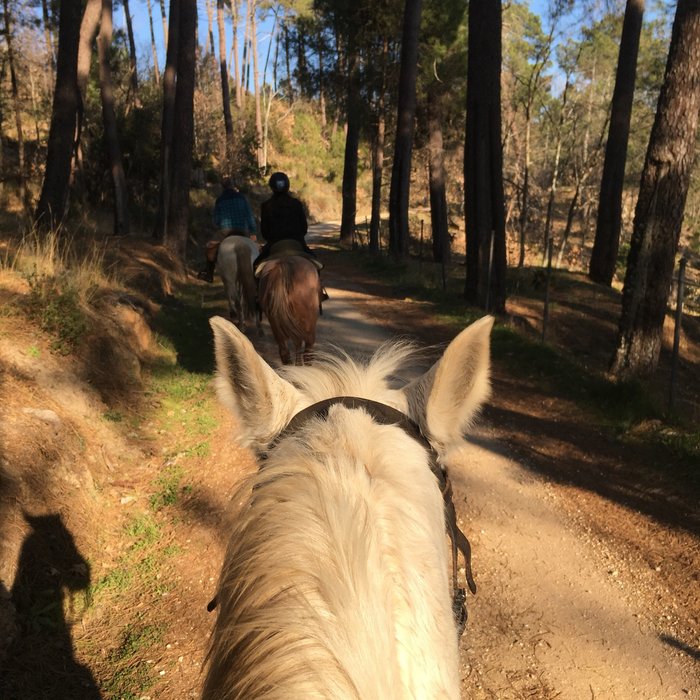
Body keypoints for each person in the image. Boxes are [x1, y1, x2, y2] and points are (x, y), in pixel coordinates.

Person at [255, 172, 328, 301]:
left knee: (256, 266)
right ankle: (320, 293)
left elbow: (265, 232)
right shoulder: (296, 204)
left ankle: (257, 297)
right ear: (287, 186)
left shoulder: (266, 206)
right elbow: (304, 229)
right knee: (316, 264)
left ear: (272, 187)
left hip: (274, 246)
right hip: (297, 243)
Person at [198, 177, 257, 283]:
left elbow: (216, 221)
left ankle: (209, 273)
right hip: (242, 230)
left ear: (223, 187)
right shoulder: (242, 198)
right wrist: (252, 231)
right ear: (233, 186)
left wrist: (218, 225)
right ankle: (257, 273)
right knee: (257, 249)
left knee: (210, 247)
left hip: (225, 231)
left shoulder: (220, 200)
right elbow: (249, 215)